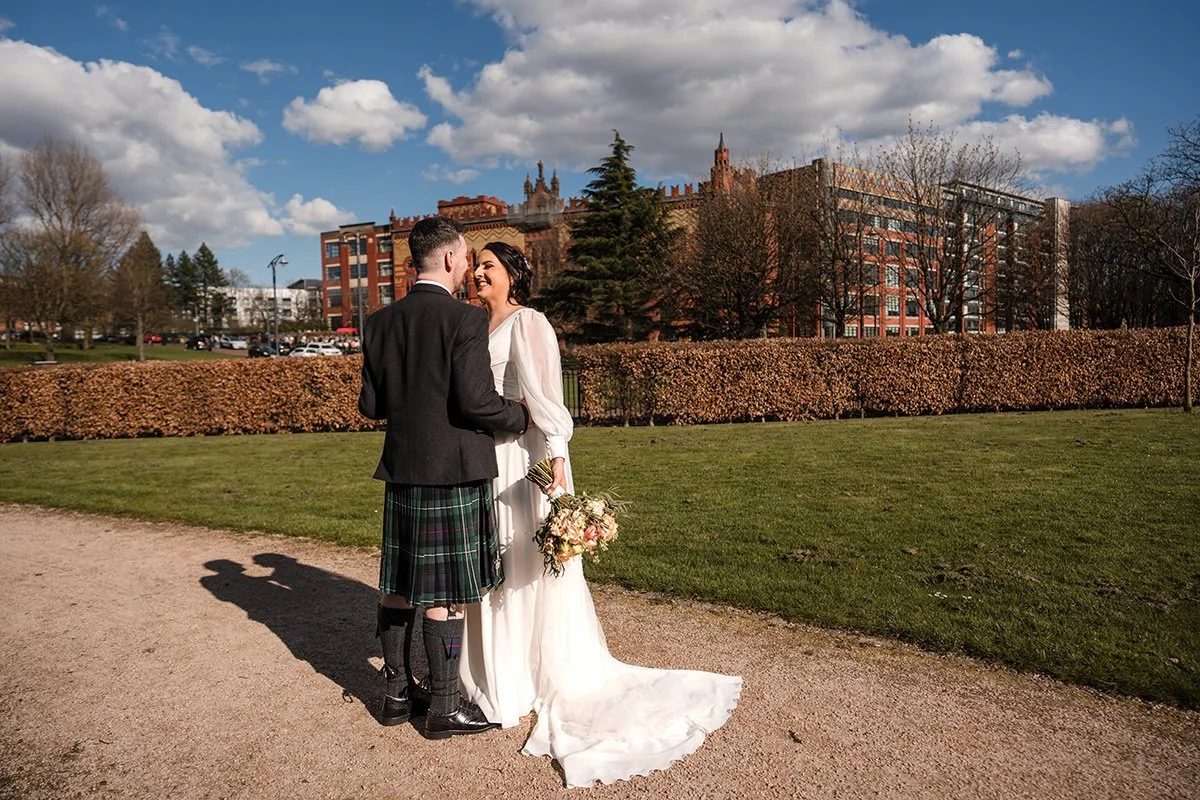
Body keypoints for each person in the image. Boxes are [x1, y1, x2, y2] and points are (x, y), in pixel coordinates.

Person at [460, 242, 742, 787]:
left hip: (523, 457)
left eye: (487, 266)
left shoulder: (529, 322)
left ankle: (527, 678)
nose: (476, 273)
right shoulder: (475, 326)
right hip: (484, 457)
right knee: (494, 557)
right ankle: (500, 674)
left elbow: (546, 397)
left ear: (514, 274)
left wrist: (558, 457)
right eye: (474, 266)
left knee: (524, 557)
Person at [358, 217, 530, 740]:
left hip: (403, 470)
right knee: (445, 595)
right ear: (451, 258)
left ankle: (393, 696)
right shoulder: (464, 320)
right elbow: (477, 402)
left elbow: (371, 406)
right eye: (465, 260)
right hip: (452, 472)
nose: (468, 271)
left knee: (398, 587)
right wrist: (520, 416)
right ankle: (443, 707)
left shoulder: (379, 321)